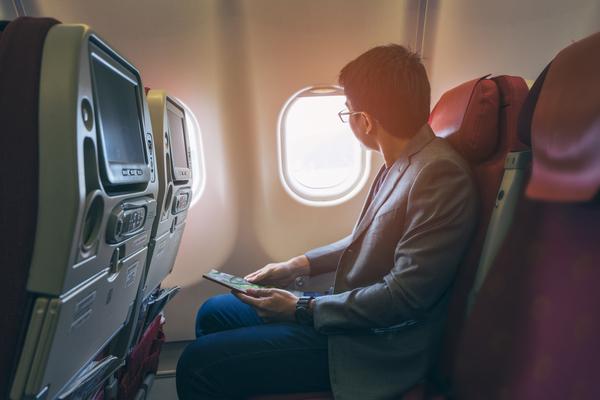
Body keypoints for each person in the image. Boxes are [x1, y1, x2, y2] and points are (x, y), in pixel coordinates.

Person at [176, 44, 478, 399]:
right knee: (213, 312)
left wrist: (302, 308)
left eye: (347, 111)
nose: (348, 119)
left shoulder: (439, 174)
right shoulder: (401, 163)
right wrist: (296, 265)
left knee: (197, 365)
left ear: (365, 120)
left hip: (378, 344)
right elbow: (363, 238)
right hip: (352, 314)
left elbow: (405, 297)